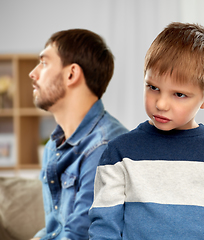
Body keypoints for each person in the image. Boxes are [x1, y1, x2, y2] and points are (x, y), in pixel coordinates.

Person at [89, 22, 204, 240]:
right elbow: (104, 229)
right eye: (153, 87)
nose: (161, 104)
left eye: (179, 94)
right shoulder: (119, 153)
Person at [29, 29, 129, 240]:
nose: (33, 73)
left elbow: (78, 236)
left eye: (44, 63)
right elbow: (55, 229)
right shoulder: (53, 147)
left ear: (71, 74)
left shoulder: (105, 147)